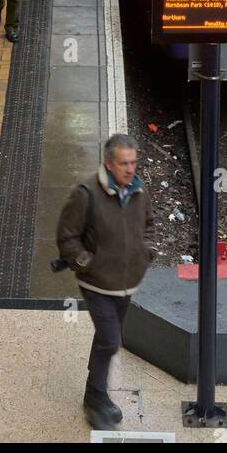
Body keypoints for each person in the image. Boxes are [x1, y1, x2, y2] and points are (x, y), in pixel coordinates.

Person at [56, 134, 156, 430]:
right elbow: (66, 236)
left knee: (105, 340)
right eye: (124, 163)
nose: (130, 169)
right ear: (109, 164)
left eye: (133, 162)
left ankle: (95, 395)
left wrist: (147, 252)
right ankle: (95, 397)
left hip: (127, 282)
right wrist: (87, 262)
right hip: (97, 283)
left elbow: (149, 225)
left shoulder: (139, 191)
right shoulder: (85, 194)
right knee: (111, 340)